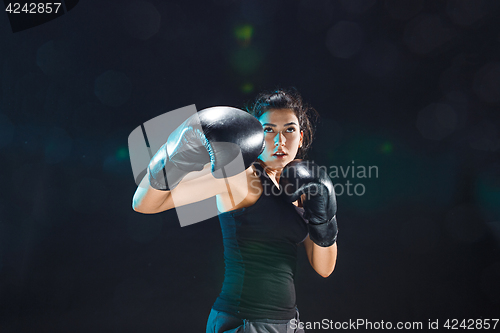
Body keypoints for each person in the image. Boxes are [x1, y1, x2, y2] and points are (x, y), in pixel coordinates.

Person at [132, 88, 338, 333]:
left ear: (301, 137)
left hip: (289, 324)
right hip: (244, 323)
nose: (280, 141)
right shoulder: (241, 177)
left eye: (289, 130)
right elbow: (143, 203)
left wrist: (324, 220)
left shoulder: (303, 187)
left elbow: (324, 268)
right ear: (256, 136)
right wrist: (175, 154)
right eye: (269, 130)